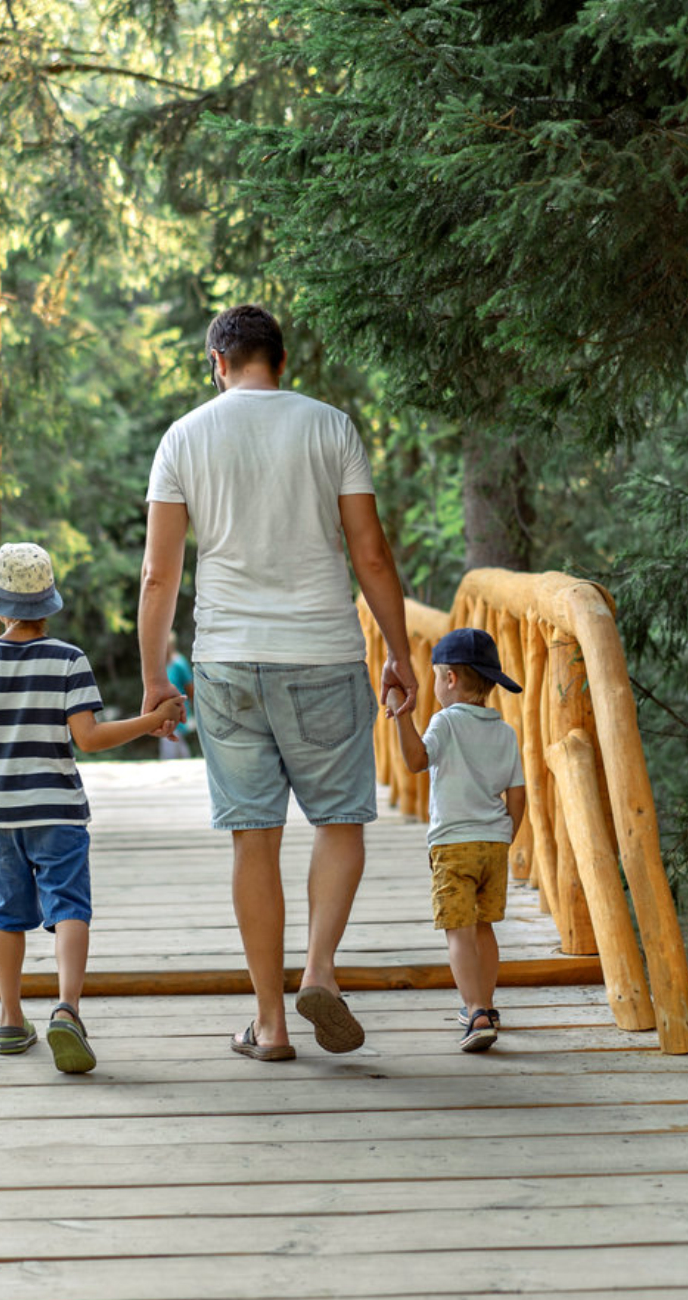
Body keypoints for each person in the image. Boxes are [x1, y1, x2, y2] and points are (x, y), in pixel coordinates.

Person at [137, 303, 418, 1061]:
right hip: (323, 652)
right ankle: (319, 969)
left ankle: (270, 1023)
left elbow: (159, 573)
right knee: (340, 822)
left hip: (227, 661)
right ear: (281, 361)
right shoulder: (330, 427)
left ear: (216, 363)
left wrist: (155, 678)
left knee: (252, 841)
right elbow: (371, 554)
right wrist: (399, 652)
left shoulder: (183, 437)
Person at [0, 542, 184, 1074]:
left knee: (7, 914)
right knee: (69, 907)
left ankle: (11, 1020)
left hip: (1, 814)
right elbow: (90, 738)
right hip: (58, 810)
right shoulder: (69, 659)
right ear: (47, 604)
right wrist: (153, 721)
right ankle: (67, 1010)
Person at [388, 628, 526, 1052]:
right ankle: (488, 1004)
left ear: (449, 678)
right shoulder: (505, 732)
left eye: (434, 677)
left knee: (458, 932)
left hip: (453, 845)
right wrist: (505, 835)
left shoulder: (445, 722)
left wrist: (400, 713)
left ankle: (474, 1011)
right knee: (484, 927)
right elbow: (517, 794)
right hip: (494, 844)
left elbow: (416, 760)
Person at [157, 632, 197, 759]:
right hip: (163, 714)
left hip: (179, 712)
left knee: (171, 747)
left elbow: (190, 688)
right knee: (178, 747)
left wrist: (194, 710)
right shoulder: (160, 665)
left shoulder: (179, 663)